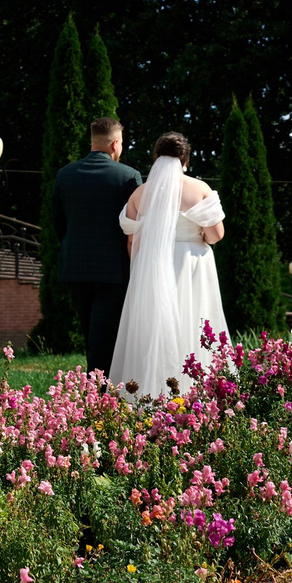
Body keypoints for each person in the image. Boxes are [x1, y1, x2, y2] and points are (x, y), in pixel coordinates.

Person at [106, 132, 228, 401]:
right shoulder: (200, 189)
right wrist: (195, 238)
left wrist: (143, 269)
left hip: (151, 268)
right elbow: (216, 235)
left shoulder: (139, 194)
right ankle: (199, 396)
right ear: (185, 159)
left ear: (156, 158)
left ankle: (146, 394)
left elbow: (132, 241)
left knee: (152, 330)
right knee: (195, 322)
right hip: (193, 267)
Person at [49, 117, 141, 374]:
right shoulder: (128, 176)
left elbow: (59, 223)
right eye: (121, 143)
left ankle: (96, 389)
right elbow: (136, 225)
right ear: (114, 144)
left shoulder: (65, 175)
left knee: (91, 332)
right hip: (114, 270)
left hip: (75, 267)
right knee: (107, 337)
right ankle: (101, 394)